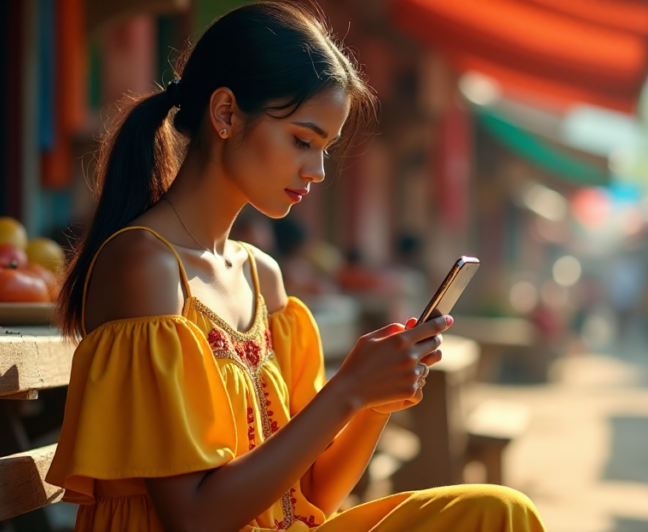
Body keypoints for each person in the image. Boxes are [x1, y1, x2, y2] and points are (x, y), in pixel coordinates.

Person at [45, 3, 547, 531]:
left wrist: (374, 402)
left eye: (325, 148)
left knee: (501, 511)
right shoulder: (145, 265)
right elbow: (193, 519)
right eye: (303, 141)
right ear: (225, 114)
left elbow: (313, 494)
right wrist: (346, 390)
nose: (319, 170)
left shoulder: (262, 276)